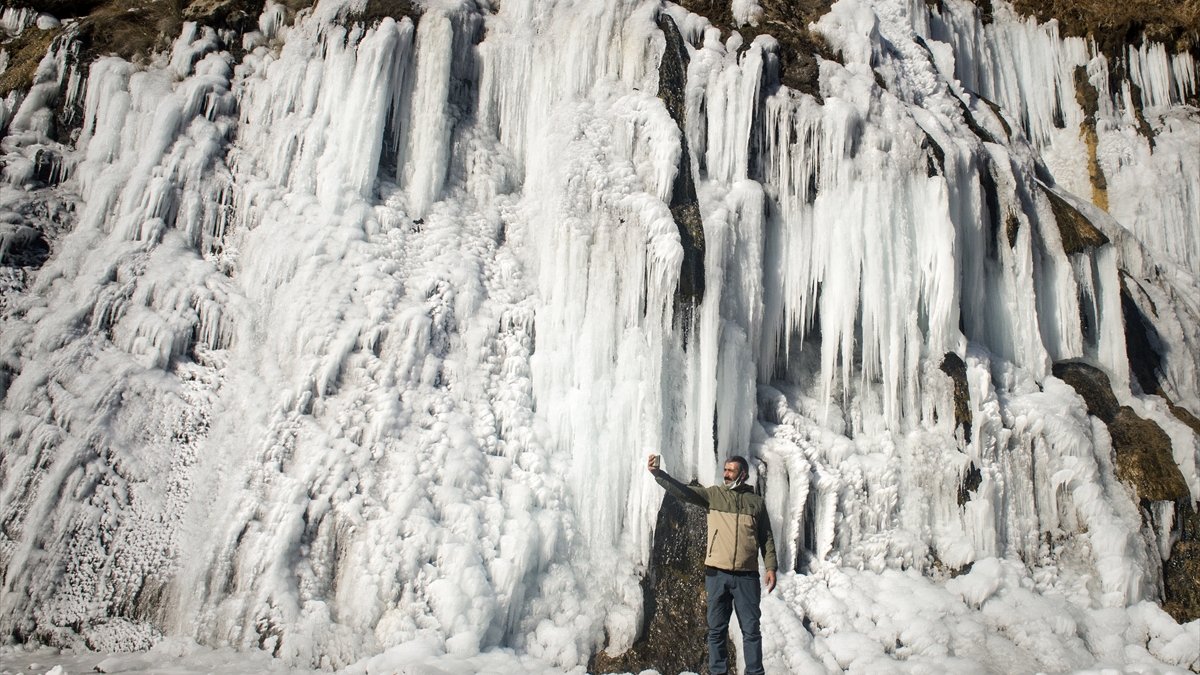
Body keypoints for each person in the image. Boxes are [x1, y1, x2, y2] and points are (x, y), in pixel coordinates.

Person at [647, 453, 777, 675]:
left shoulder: (756, 503)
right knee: (716, 630)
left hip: (747, 577)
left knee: (751, 631)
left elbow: (766, 537)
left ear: (743, 474)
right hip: (716, 574)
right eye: (725, 470)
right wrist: (659, 475)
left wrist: (771, 567)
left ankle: (755, 672)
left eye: (730, 471)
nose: (726, 474)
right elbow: (684, 492)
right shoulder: (715, 495)